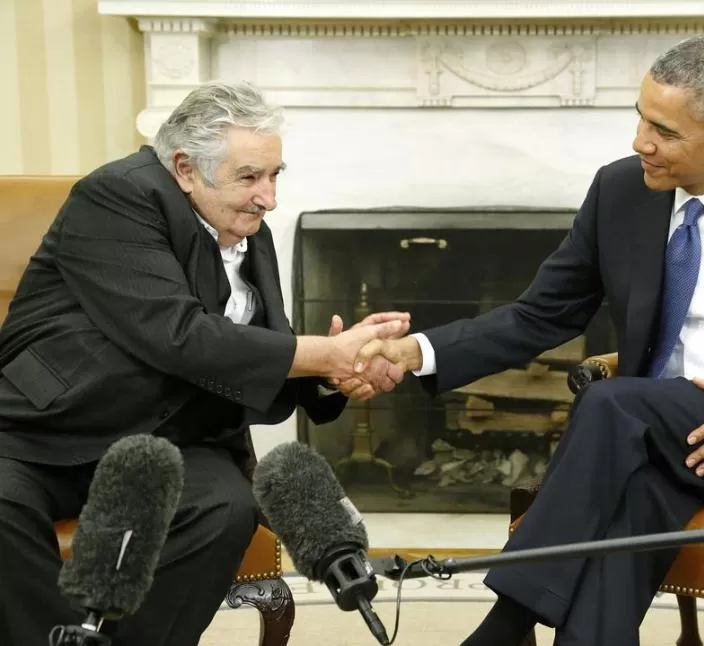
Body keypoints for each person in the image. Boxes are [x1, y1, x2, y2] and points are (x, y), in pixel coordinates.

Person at [347, 35, 704, 645]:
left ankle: (505, 625)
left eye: (666, 131)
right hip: (643, 442)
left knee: (609, 401)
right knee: (636, 507)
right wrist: (417, 351)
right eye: (640, 117)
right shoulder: (620, 192)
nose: (641, 143)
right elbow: (539, 316)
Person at [0, 81, 408, 645]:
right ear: (186, 167)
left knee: (224, 509)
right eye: (249, 177)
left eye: (274, 175)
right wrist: (321, 352)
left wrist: (333, 373)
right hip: (48, 429)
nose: (269, 197)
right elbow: (178, 335)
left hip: (175, 438)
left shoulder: (241, 223)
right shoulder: (117, 196)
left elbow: (254, 346)